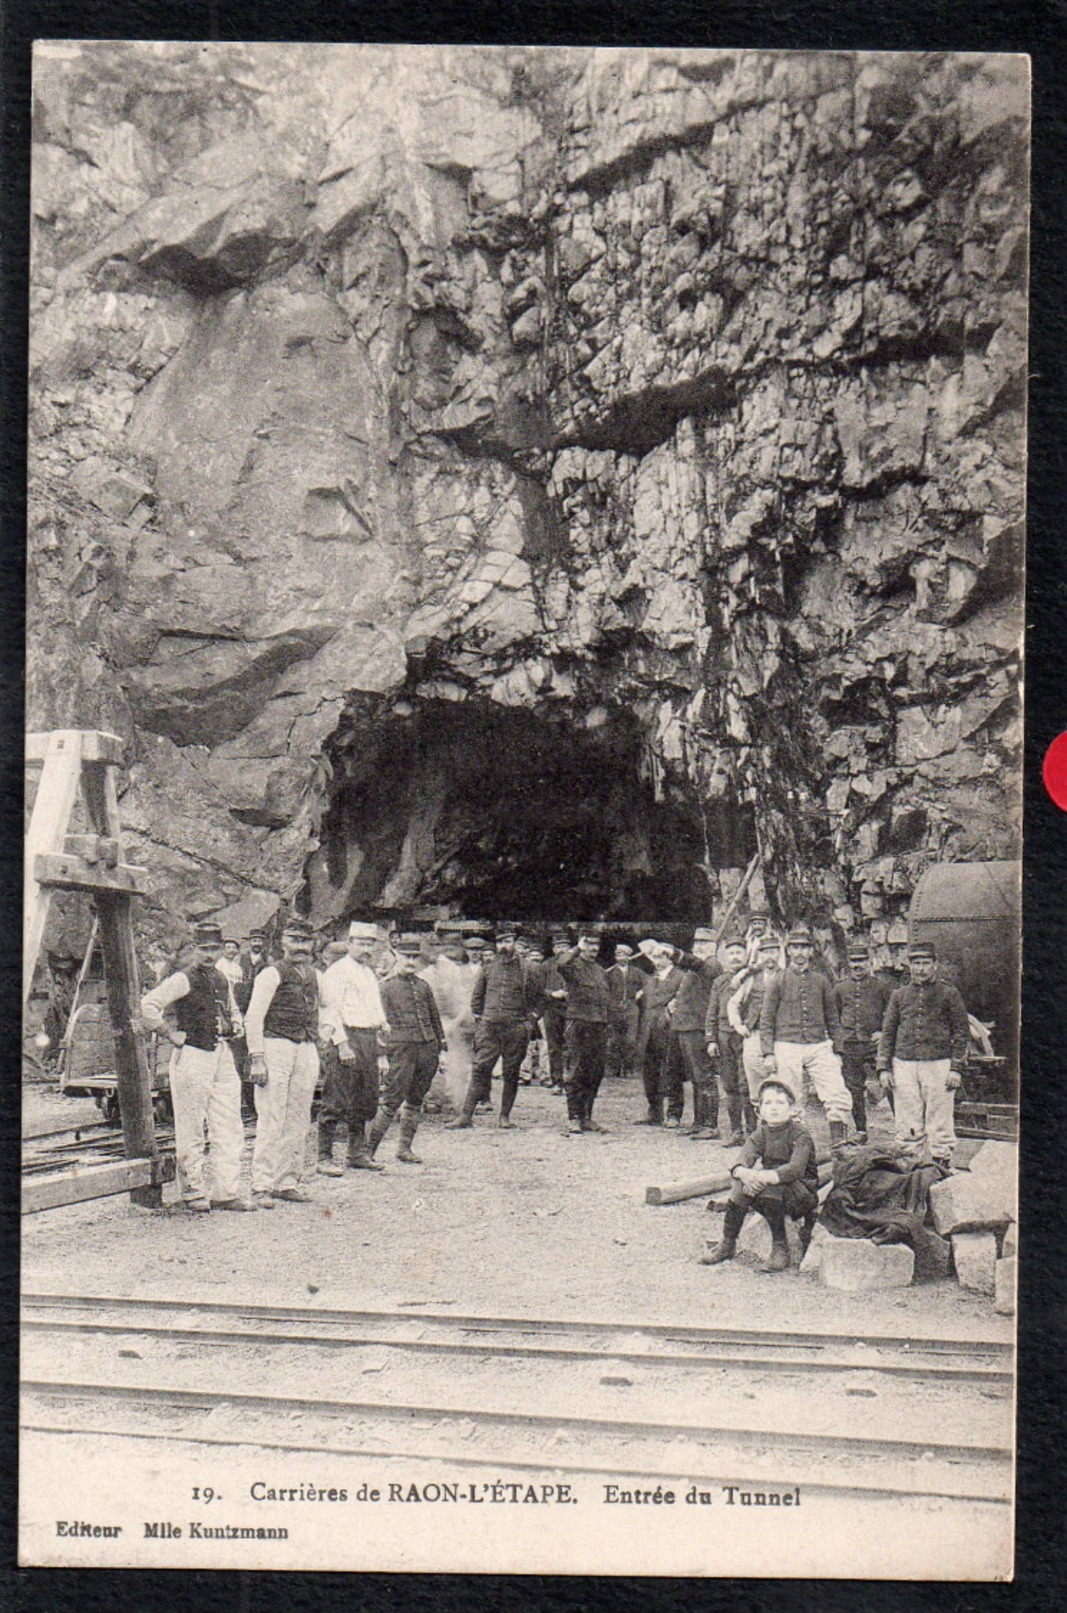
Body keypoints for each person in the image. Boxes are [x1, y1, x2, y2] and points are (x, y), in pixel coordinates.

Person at [140, 920, 253, 1212]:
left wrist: (237, 1024)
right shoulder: (183, 978)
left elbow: (232, 1008)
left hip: (221, 1054)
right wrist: (168, 1033)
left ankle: (225, 1192)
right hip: (192, 1055)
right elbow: (148, 1005)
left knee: (229, 1123)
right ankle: (193, 1193)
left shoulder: (222, 978)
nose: (209, 954)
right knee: (191, 1125)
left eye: (214, 949)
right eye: (203, 949)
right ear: (194, 949)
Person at [244, 915, 325, 1206]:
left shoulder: (316, 975)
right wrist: (257, 1057)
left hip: (305, 1046)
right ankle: (262, 1184)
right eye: (294, 940)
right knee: (271, 1115)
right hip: (275, 1044)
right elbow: (253, 1017)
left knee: (299, 1116)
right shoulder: (271, 973)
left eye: (305, 941)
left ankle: (287, 1181)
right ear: (283, 942)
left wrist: (324, 1034)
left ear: (312, 944)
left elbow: (328, 1008)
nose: (300, 947)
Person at [699, 1077, 819, 1271]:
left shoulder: (799, 1134)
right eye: (768, 1103)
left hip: (801, 1195)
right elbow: (740, 1163)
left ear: (792, 1109)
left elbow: (795, 1169)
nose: (774, 1108)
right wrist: (745, 1174)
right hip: (771, 1192)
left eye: (780, 1103)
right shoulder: (760, 1134)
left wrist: (760, 1177)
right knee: (739, 1185)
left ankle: (781, 1248)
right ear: (759, 1110)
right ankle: (728, 1243)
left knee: (769, 1186)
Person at [877, 939, 969, 1169]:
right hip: (904, 1064)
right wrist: (884, 1068)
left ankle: (941, 1165)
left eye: (926, 963)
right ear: (910, 966)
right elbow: (888, 1032)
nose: (921, 968)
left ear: (935, 964)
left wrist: (956, 1068)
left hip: (938, 1064)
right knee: (908, 1118)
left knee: (940, 1118)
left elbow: (961, 1032)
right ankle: (911, 1168)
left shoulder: (949, 993)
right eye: (916, 963)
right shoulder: (899, 995)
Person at [759, 924, 852, 1148]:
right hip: (787, 1044)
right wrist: (768, 1053)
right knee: (790, 1094)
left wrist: (837, 1050)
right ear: (788, 951)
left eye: (804, 948)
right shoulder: (777, 981)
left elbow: (833, 1018)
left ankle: (839, 1140)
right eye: (795, 948)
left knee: (835, 1089)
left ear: (811, 952)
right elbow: (766, 1019)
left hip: (818, 1044)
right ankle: (795, 1143)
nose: (800, 953)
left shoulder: (820, 981)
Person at [317, 920, 388, 1174]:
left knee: (365, 1097)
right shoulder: (337, 971)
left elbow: (373, 1005)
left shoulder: (368, 972)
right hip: (346, 1037)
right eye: (361, 943)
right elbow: (330, 1010)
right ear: (350, 944)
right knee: (336, 1098)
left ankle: (356, 1153)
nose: (366, 948)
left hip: (368, 1038)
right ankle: (323, 1157)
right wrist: (342, 1044)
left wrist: (382, 1024)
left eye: (370, 944)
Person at [448, 925, 535, 1129]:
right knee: (480, 1069)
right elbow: (477, 998)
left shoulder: (528, 969)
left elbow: (539, 999)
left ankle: (504, 1116)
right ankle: (465, 1116)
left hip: (515, 1028)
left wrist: (529, 1020)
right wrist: (482, 1021)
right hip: (490, 1028)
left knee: (511, 1072)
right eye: (500, 942)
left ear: (514, 943)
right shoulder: (489, 967)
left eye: (507, 941)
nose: (504, 946)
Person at [373, 934, 446, 1162]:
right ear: (396, 956)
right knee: (392, 1100)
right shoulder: (385, 988)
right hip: (400, 1049)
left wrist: (441, 1051)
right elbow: (378, 1024)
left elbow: (435, 1019)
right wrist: (382, 1055)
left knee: (416, 1099)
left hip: (427, 1049)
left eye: (415, 957)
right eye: (406, 956)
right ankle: (367, 1151)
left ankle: (404, 1149)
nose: (411, 961)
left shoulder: (424, 987)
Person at [833, 941, 893, 1138]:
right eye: (853, 961)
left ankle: (901, 1126)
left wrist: (883, 1032)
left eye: (861, 960)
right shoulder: (841, 988)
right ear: (849, 963)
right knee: (853, 1088)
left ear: (869, 962)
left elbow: (893, 1014)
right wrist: (839, 1041)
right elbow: (835, 1016)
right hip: (850, 1044)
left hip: (874, 1043)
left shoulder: (881, 986)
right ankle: (860, 1129)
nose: (857, 965)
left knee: (889, 1082)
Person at [668, 927, 722, 1138]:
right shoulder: (695, 969)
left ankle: (710, 1125)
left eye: (704, 943)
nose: (699, 947)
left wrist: (673, 953)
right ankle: (700, 1123)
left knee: (704, 1077)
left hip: (698, 1028)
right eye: (697, 943)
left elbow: (696, 963)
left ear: (714, 947)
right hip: (685, 1027)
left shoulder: (712, 965)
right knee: (695, 1077)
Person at [557, 928, 612, 1134]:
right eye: (589, 944)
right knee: (576, 1071)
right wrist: (576, 949)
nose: (594, 949)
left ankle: (587, 1117)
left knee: (594, 1072)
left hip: (598, 1024)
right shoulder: (573, 966)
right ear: (582, 945)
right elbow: (561, 964)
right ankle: (574, 1118)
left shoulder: (600, 970)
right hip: (578, 1024)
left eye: (597, 945)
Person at [728, 931, 783, 1119]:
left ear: (779, 954)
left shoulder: (786, 977)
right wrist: (738, 1025)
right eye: (766, 952)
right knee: (754, 1084)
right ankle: (759, 1130)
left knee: (779, 1082)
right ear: (760, 955)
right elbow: (733, 1003)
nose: (770, 956)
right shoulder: (752, 979)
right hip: (754, 1036)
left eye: (774, 952)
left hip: (780, 1037)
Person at [704, 932, 751, 1144]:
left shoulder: (754, 979)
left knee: (748, 1084)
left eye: (739, 952)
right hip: (725, 1037)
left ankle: (753, 1132)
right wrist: (711, 1039)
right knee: (730, 1085)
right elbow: (712, 1012)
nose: (735, 957)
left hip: (748, 1037)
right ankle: (736, 1132)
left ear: (746, 954)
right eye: (731, 953)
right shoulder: (720, 982)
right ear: (725, 956)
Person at [633, 940, 683, 1126]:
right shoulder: (649, 979)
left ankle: (674, 1114)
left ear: (669, 957)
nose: (655, 959)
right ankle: (654, 1112)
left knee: (671, 1072)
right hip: (649, 1033)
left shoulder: (681, 977)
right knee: (650, 1073)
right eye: (653, 956)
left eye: (659, 955)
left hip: (669, 1031)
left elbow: (678, 1002)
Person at [535, 931, 572, 1093]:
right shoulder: (546, 965)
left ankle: (572, 1080)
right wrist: (552, 993)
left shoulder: (578, 964)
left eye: (564, 946)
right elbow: (537, 988)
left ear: (570, 948)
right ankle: (557, 1081)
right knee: (553, 1046)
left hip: (573, 1009)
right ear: (553, 949)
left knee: (573, 1045)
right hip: (552, 1008)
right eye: (558, 946)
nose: (561, 949)